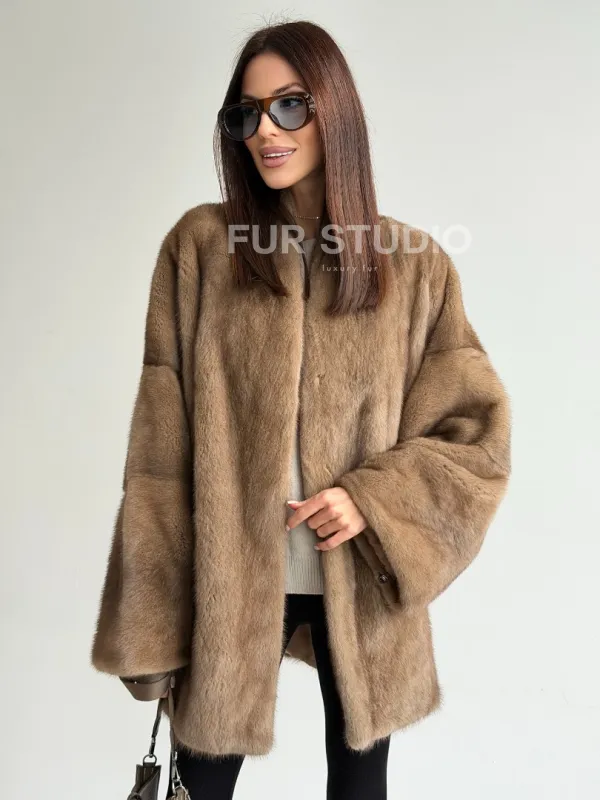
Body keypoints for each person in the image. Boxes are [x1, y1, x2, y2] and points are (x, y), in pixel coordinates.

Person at [91, 20, 512, 800]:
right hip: (228, 581)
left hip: (362, 580)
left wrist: (373, 500)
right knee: (199, 782)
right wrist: (151, 626)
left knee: (359, 785)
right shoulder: (201, 250)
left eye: (289, 105)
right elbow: (159, 459)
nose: (265, 131)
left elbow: (474, 435)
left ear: (334, 111)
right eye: (246, 114)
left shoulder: (414, 268)